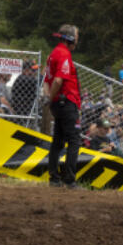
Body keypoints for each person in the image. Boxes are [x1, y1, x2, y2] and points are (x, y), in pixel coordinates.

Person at [43, 24, 82, 188]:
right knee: (74, 140)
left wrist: (49, 98)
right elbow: (58, 80)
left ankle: (53, 178)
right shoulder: (64, 55)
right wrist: (51, 98)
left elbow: (46, 79)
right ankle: (69, 179)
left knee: (58, 140)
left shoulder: (53, 54)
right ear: (71, 39)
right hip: (67, 102)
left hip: (58, 104)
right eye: (77, 37)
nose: (78, 41)